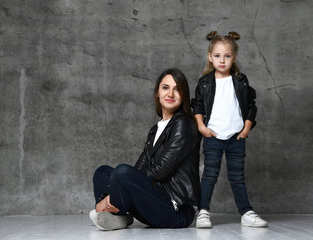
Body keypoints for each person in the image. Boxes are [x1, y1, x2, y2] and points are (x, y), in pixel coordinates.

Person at [89, 68, 200, 231]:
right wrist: (116, 189)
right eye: (165, 88)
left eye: (177, 89)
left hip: (176, 210)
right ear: (157, 93)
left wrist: (115, 190)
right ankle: (119, 217)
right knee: (103, 172)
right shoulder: (156, 129)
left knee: (122, 172)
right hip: (153, 203)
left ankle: (113, 208)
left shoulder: (185, 123)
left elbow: (161, 169)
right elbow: (139, 169)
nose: (170, 94)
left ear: (183, 95)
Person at [191, 31, 268, 228]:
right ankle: (203, 211)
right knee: (209, 175)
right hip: (213, 136)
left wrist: (246, 129)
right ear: (210, 57)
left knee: (237, 176)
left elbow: (251, 106)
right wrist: (202, 127)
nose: (222, 60)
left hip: (236, 137)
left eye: (227, 56)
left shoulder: (241, 80)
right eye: (217, 56)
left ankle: (246, 212)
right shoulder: (205, 82)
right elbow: (197, 105)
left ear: (234, 57)